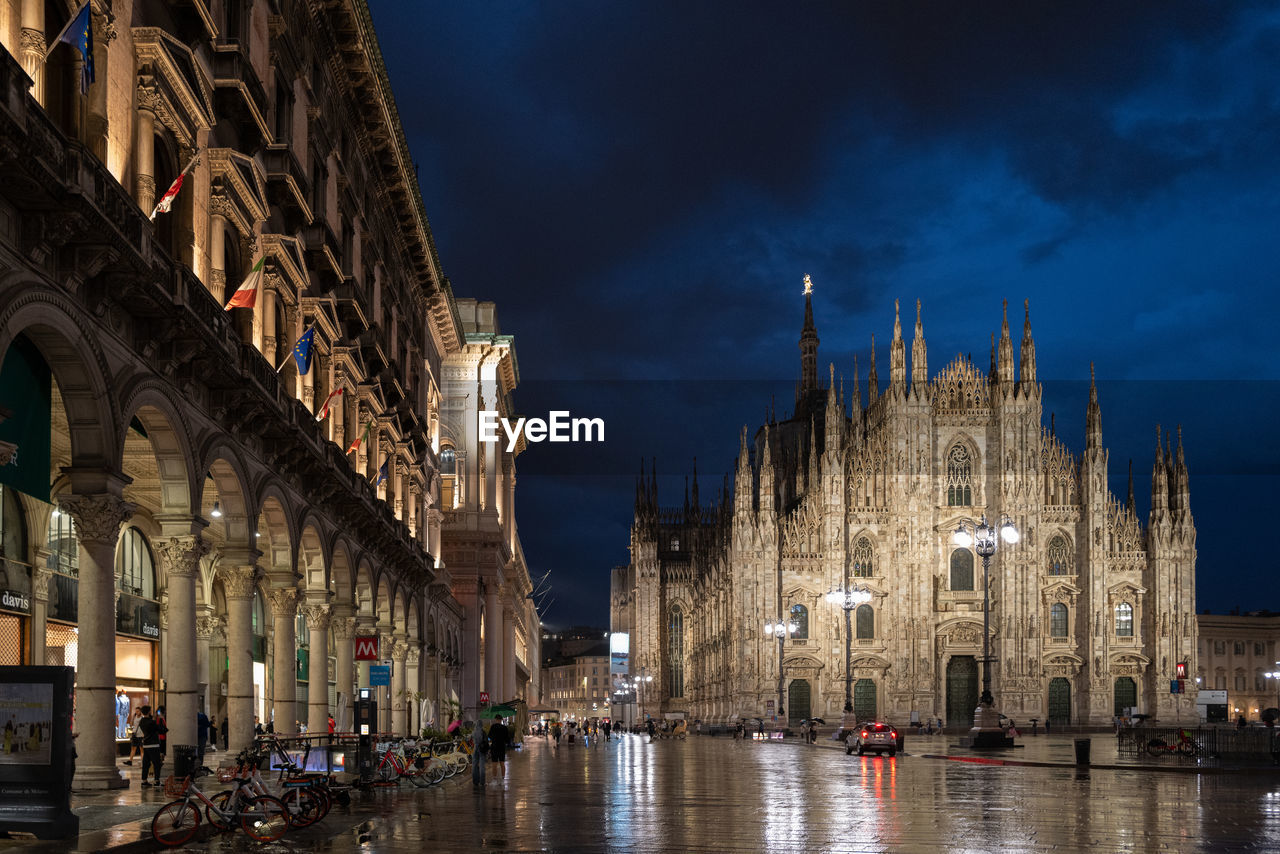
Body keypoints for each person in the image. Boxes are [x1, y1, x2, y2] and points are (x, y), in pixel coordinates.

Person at [138, 705, 162, 787]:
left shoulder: (141, 721)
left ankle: (144, 780)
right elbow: (162, 730)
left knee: (146, 763)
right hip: (154, 745)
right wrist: (160, 718)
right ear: (149, 712)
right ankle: (156, 781)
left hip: (146, 745)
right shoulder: (152, 722)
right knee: (156, 763)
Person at [469, 721, 487, 789]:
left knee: (474, 765)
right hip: (481, 749)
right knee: (482, 765)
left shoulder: (473, 732)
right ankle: (482, 782)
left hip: (475, 749)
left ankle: (475, 781)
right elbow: (486, 741)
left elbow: (470, 740)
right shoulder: (483, 732)